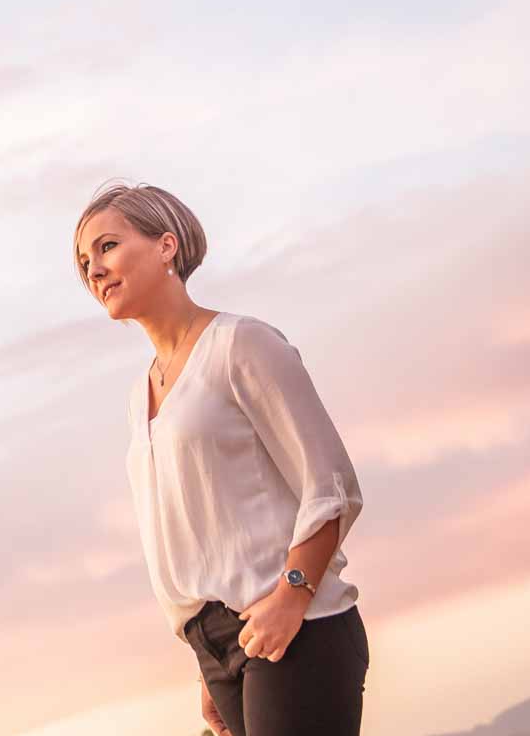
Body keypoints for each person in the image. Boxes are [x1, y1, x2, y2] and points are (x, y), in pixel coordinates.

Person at [73, 181, 370, 736]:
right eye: (85, 261)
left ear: (166, 246)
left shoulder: (241, 344)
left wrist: (292, 595)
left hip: (295, 624)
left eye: (108, 246)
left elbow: (330, 485)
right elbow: (196, 537)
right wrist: (207, 667)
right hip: (216, 648)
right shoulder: (139, 397)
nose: (95, 270)